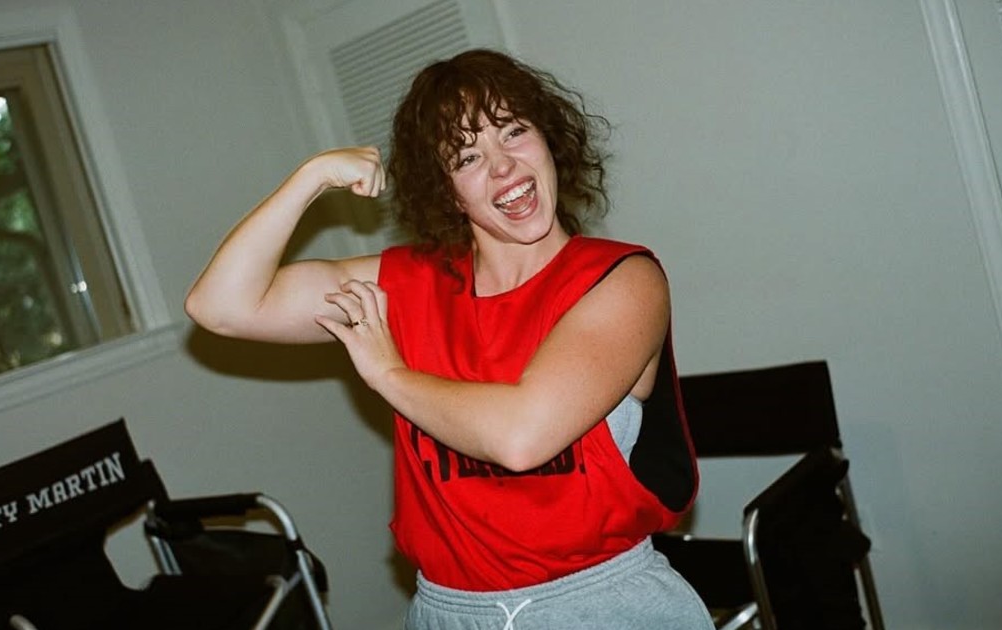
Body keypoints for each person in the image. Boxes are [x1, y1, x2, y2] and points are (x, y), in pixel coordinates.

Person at [186, 48, 713, 629]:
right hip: (449, 611)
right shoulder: (407, 285)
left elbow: (521, 438)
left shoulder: (622, 279)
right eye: (467, 157)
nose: (503, 166)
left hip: (600, 606)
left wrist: (389, 374)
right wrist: (309, 179)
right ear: (448, 191)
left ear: (549, 139)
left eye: (514, 131)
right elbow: (222, 306)